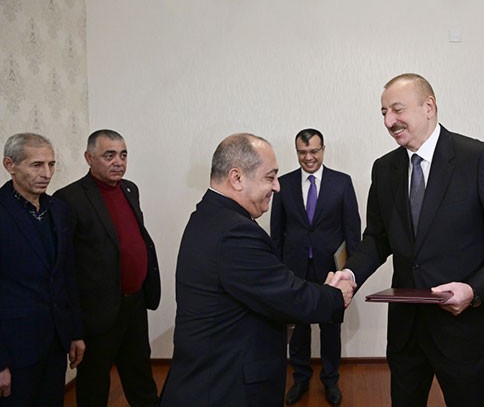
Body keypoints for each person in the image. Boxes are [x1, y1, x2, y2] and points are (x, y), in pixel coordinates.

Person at [332, 73, 484, 406]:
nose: (388, 121)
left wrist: (474, 290)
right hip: (407, 331)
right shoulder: (384, 169)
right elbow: (377, 239)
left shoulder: (479, 159)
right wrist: (350, 273)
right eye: (383, 112)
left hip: (463, 328)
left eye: (397, 109)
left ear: (429, 107)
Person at [160, 133, 355, 407]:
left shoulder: (208, 216)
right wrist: (336, 295)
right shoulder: (235, 232)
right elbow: (288, 296)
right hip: (225, 388)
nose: (277, 186)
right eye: (269, 177)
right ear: (237, 178)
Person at [54, 129, 161, 407]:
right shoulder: (68, 198)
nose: (118, 162)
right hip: (97, 310)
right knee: (94, 384)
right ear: (89, 158)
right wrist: (74, 325)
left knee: (141, 377)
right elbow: (65, 265)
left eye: (123, 155)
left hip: (134, 303)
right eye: (109, 155)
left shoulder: (130, 189)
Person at [270, 128, 361, 405]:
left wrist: (352, 274)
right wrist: (277, 270)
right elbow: (277, 232)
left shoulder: (341, 183)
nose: (308, 157)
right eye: (302, 152)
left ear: (323, 150)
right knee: (298, 328)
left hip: (331, 270)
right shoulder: (283, 184)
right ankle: (300, 378)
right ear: (296, 152)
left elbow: (352, 231)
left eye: (313, 151)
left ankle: (330, 380)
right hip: (294, 268)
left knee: (330, 328)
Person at [0, 133, 85, 406]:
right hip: (14, 351)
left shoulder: (59, 210)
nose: (47, 173)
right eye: (36, 165)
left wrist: (75, 332)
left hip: (55, 342)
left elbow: (67, 275)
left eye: (51, 164)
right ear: (10, 165)